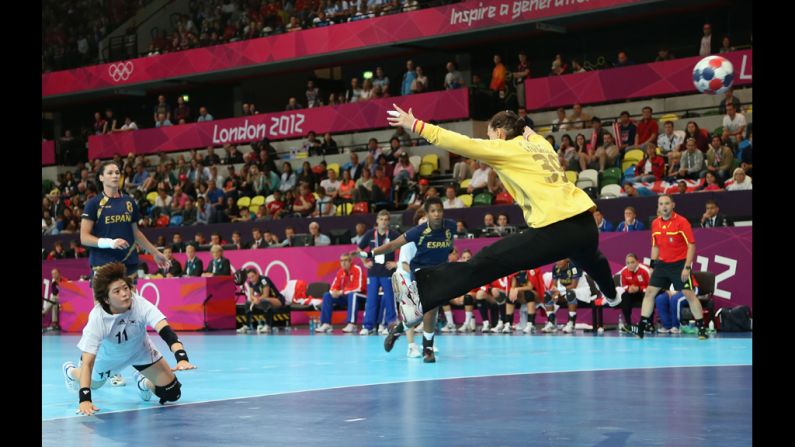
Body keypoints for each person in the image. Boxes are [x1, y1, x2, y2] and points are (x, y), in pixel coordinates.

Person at [384, 106, 623, 359]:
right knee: (594, 260)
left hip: (557, 228)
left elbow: (459, 142)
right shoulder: (541, 143)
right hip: (585, 224)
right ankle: (611, 296)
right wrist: (521, 125)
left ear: (499, 133)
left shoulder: (505, 148)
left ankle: (418, 296)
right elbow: (528, 132)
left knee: (485, 262)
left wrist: (416, 125)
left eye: (489, 136)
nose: (488, 141)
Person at [61, 262, 197, 416]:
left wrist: (181, 358)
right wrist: (84, 399)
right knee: (93, 384)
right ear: (106, 299)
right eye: (117, 291)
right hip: (107, 360)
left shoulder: (139, 304)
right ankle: (70, 371)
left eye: (125, 288)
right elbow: (88, 363)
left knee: (173, 394)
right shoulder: (97, 318)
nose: (125, 294)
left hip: (140, 352)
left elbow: (166, 331)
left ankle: (143, 382)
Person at [360, 197, 455, 363]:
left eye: (439, 210)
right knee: (430, 309)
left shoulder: (450, 227)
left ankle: (398, 330)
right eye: (432, 211)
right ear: (426, 215)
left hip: (439, 273)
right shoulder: (417, 233)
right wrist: (370, 254)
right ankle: (426, 349)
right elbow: (392, 247)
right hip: (417, 274)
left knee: (422, 315)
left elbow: (449, 246)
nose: (437, 214)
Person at [629, 195, 708, 339]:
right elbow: (655, 245)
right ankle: (641, 327)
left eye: (666, 203)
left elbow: (691, 245)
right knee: (650, 293)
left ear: (673, 205)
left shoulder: (682, 222)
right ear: (658, 206)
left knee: (689, 294)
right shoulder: (655, 223)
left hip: (679, 265)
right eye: (661, 204)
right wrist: (652, 265)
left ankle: (702, 327)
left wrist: (687, 267)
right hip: (662, 265)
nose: (664, 206)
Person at [81, 161, 170, 280]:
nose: (115, 175)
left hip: (128, 264)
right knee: (103, 299)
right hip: (103, 265)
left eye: (117, 172)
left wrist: (155, 253)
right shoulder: (93, 204)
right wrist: (111, 243)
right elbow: (84, 237)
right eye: (110, 173)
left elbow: (136, 233)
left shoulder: (129, 202)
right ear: (101, 177)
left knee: (128, 298)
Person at [356, 210, 400, 335]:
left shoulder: (393, 234)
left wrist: (397, 263)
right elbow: (359, 248)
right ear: (377, 221)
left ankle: (390, 325)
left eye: (386, 219)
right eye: (381, 219)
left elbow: (406, 247)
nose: (383, 222)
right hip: (373, 272)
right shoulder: (370, 234)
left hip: (387, 272)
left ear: (389, 221)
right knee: (371, 300)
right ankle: (368, 326)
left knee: (390, 299)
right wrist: (364, 262)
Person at [314, 253, 366, 334]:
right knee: (327, 295)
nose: (343, 263)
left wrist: (341, 292)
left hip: (361, 296)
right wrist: (334, 292)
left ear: (350, 261)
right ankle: (326, 324)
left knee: (353, 294)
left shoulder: (357, 269)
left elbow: (358, 287)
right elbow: (333, 287)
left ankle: (352, 324)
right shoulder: (340, 272)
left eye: (345, 260)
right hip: (346, 296)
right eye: (341, 261)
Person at [238, 269, 285, 334]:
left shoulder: (263, 280)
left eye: (253, 276)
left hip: (277, 299)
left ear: (257, 274)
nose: (251, 279)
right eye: (249, 278)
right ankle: (247, 326)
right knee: (248, 303)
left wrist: (258, 299)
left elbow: (266, 295)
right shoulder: (251, 282)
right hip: (263, 300)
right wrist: (255, 299)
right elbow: (251, 295)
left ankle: (268, 326)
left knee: (265, 301)